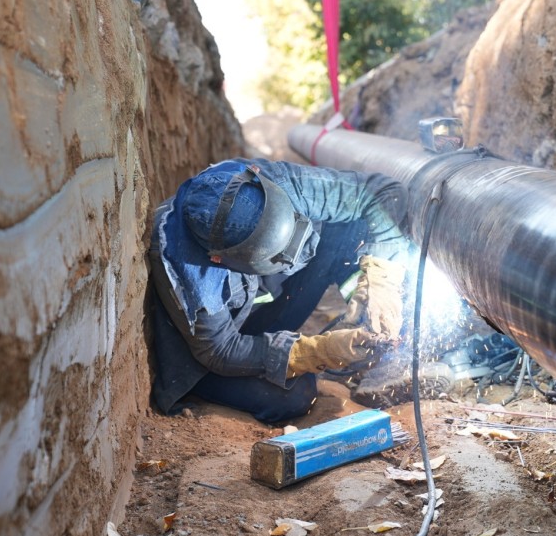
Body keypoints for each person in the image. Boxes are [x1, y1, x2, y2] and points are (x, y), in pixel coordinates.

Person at [149, 158, 411, 424]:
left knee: (354, 227)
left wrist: (382, 282)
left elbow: (384, 193)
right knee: (294, 394)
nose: (296, 255)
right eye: (278, 256)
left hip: (271, 295)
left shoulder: (274, 184)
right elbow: (221, 350)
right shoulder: (185, 269)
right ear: (219, 259)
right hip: (223, 346)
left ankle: (382, 335)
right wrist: (319, 351)